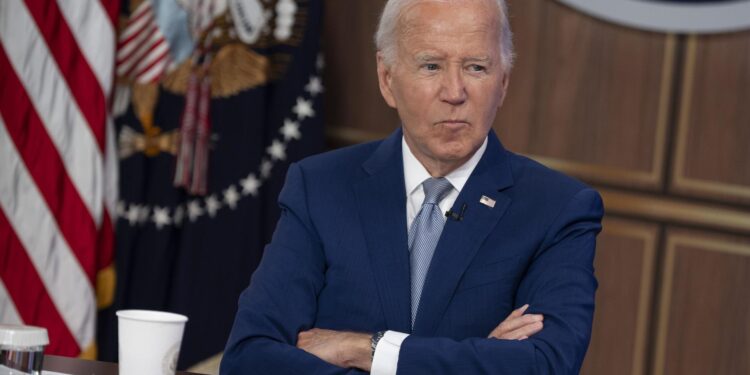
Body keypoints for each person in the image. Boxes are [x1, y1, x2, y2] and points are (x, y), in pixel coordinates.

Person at [220, 0, 603, 373]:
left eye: (476, 67)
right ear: (387, 78)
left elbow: (544, 364)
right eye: (431, 66)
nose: (454, 92)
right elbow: (249, 357)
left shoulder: (557, 209)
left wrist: (366, 349)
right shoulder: (320, 187)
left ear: (502, 83)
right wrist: (480, 357)